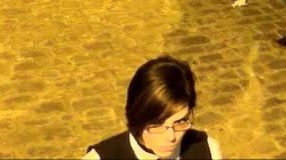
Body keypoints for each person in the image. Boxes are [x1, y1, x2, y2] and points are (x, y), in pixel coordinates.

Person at [84, 55, 220, 159]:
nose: (171, 137)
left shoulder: (206, 150)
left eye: (179, 122)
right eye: (157, 125)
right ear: (137, 117)